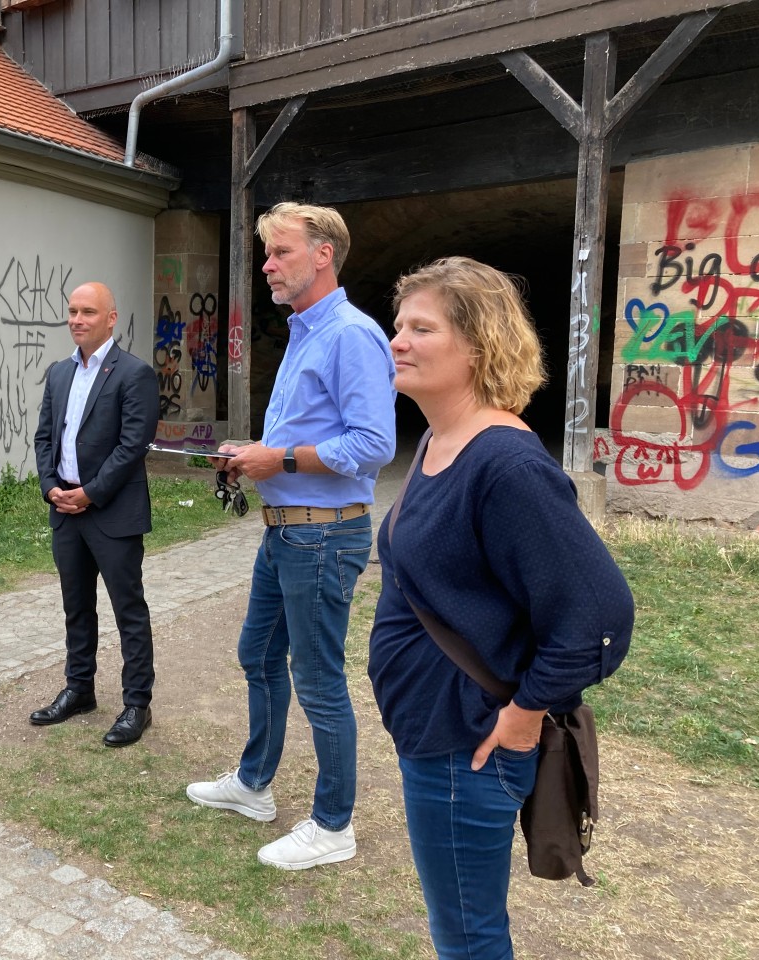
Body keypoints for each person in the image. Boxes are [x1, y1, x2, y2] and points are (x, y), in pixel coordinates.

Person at [369, 257, 634, 959]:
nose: (397, 340)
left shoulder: (507, 466)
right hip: (433, 733)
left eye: (420, 328)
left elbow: (598, 618)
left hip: (469, 745)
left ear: (478, 347)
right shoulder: (437, 440)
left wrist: (522, 718)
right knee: (458, 922)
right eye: (399, 326)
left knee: (467, 933)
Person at [186, 202, 396, 869]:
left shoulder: (351, 334)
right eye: (267, 254)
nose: (268, 266)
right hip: (287, 534)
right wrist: (254, 450)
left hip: (324, 538)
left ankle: (334, 824)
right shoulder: (306, 331)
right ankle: (253, 785)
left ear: (323, 253)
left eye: (279, 252)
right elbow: (308, 433)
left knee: (318, 677)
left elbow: (373, 444)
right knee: (257, 655)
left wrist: (279, 460)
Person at [31, 282, 160, 747]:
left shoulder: (134, 374)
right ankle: (79, 689)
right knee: (76, 606)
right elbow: (44, 438)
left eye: (88, 311)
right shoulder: (59, 373)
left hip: (111, 512)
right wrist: (51, 488)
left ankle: (136, 704)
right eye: (72, 311)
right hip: (65, 509)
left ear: (111, 318)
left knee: (128, 609)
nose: (78, 319)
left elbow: (132, 447)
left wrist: (90, 493)